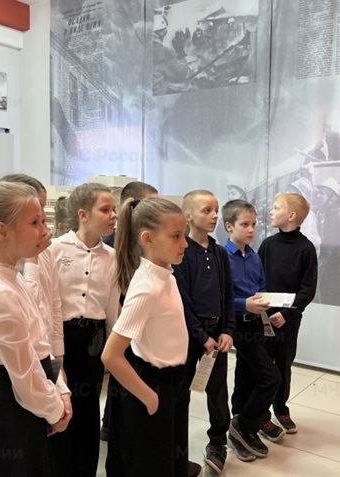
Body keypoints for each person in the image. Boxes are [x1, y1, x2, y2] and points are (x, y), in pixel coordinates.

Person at [0, 181, 71, 476]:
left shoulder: (13, 278)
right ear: (2, 231)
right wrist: (55, 410)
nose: (45, 230)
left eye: (44, 221)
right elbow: (25, 378)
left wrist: (60, 390)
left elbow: (40, 345)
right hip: (9, 415)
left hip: (27, 409)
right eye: (35, 223)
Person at [101, 197, 191, 476]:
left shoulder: (167, 277)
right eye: (176, 236)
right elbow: (111, 355)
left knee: (170, 459)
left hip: (173, 382)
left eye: (184, 235)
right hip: (153, 385)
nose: (185, 244)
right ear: (148, 239)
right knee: (151, 464)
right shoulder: (146, 288)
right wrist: (150, 398)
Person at [49, 182, 121, 477]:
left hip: (94, 338)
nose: (113, 215)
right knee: (60, 404)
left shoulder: (112, 257)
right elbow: (48, 301)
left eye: (114, 209)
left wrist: (114, 350)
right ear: (83, 215)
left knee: (89, 406)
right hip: (62, 336)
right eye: (105, 209)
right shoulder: (55, 249)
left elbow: (112, 308)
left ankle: (85, 469)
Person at [172, 190, 235, 474]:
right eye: (207, 210)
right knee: (180, 393)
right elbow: (182, 300)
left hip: (217, 335)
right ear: (188, 216)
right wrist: (200, 335)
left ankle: (218, 443)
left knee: (218, 392)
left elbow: (227, 294)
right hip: (189, 336)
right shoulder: (181, 252)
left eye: (216, 210)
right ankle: (177, 452)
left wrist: (228, 330)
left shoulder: (220, 253)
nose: (214, 216)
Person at [222, 199, 281, 461]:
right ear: (229, 226)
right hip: (236, 324)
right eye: (245, 224)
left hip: (256, 322)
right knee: (271, 377)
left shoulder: (254, 256)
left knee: (247, 375)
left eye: (254, 224)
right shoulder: (223, 257)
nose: (251, 230)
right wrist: (243, 304)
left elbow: (261, 287)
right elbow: (220, 296)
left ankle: (241, 419)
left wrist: (268, 305)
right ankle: (245, 425)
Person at [258, 192, 318, 434]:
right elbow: (257, 278)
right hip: (262, 316)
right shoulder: (267, 245)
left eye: (276, 208)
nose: (271, 212)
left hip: (289, 319)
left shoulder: (306, 249)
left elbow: (307, 290)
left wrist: (286, 314)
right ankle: (260, 414)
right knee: (262, 365)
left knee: (284, 363)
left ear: (291, 215)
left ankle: (281, 408)